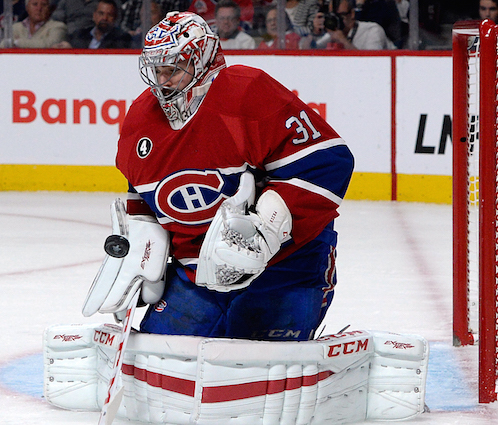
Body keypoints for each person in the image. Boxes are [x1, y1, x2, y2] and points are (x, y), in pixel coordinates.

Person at [115, 11, 354, 341]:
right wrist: (143, 255)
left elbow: (328, 162)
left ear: (202, 61)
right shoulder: (141, 119)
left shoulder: (246, 92)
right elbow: (141, 192)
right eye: (158, 69)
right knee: (161, 355)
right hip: (193, 275)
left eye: (173, 69)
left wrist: (265, 229)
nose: (163, 80)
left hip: (283, 268)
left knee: (262, 369)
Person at [325, 0, 395, 49]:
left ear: (352, 14)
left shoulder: (372, 30)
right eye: (333, 17)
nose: (337, 20)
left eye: (341, 16)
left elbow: (371, 63)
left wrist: (343, 41)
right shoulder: (330, 33)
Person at [63, 0, 132, 48]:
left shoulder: (121, 39)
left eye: (110, 15)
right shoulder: (79, 35)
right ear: (94, 15)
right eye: (101, 13)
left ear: (115, 18)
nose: (104, 18)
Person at [51, 0, 122, 36]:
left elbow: (115, 22)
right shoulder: (67, 1)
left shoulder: (111, 2)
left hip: (94, 39)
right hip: (67, 37)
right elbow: (56, 19)